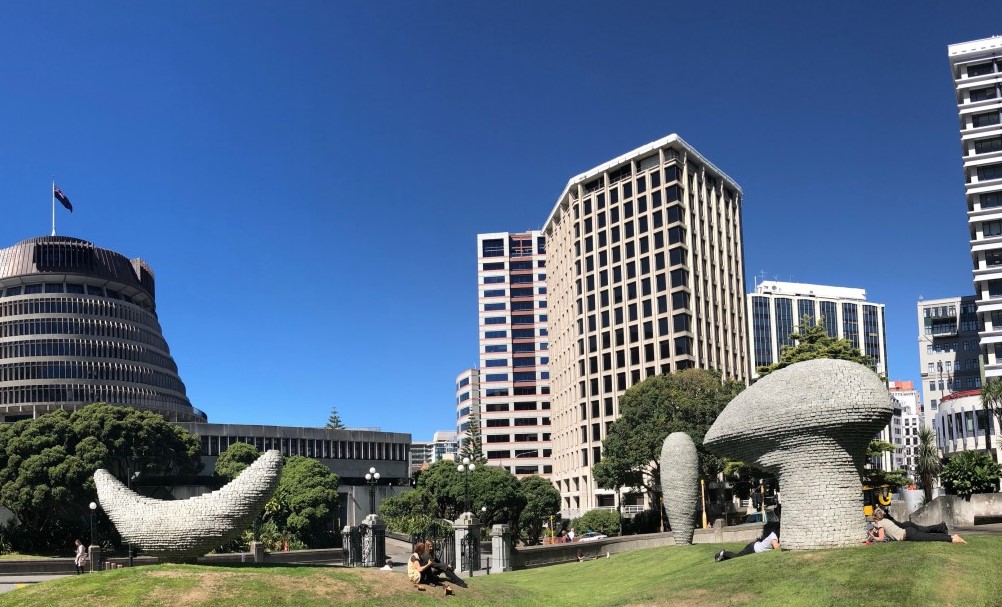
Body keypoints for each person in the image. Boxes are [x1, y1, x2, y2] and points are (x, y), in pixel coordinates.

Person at [871, 508, 966, 543]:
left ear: (876, 519)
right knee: (928, 534)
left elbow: (881, 537)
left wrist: (873, 537)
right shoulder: (886, 520)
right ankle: (951, 537)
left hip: (908, 534)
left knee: (929, 537)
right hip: (908, 532)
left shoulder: (880, 523)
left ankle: (952, 538)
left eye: (873, 520)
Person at [714, 522, 780, 562]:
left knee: (738, 554)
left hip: (753, 546)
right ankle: (722, 553)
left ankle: (723, 557)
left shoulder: (774, 536)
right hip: (753, 549)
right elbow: (777, 548)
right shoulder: (773, 537)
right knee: (737, 556)